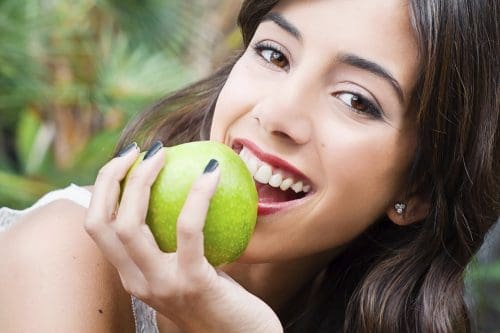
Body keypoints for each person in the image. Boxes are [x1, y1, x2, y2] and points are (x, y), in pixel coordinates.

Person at [0, 0, 498, 332]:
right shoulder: (65, 250)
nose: (278, 113)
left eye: (354, 99)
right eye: (274, 54)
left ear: (420, 190)